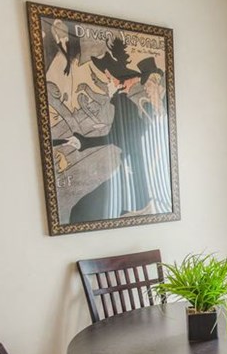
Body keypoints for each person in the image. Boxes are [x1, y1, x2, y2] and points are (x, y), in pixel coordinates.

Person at [54, 42, 166, 222]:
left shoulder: (129, 103)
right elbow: (118, 137)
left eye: (109, 78)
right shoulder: (128, 102)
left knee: (83, 211)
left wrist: (83, 141)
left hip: (135, 177)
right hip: (132, 173)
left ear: (119, 79)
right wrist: (82, 141)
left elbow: (127, 138)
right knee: (83, 211)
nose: (108, 83)